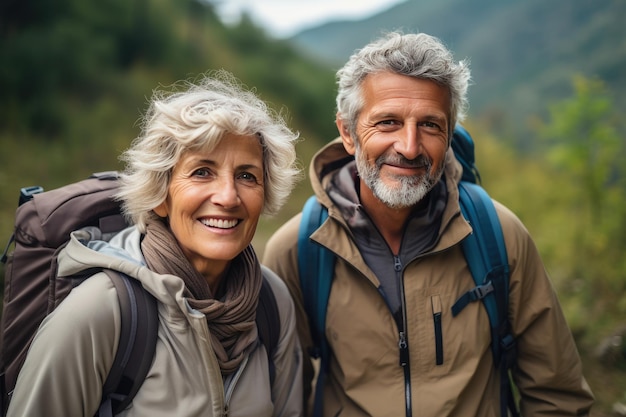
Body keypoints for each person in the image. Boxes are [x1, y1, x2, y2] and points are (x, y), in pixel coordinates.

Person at [262, 32, 594, 416]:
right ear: (348, 133)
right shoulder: (299, 249)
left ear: (450, 134)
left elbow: (558, 398)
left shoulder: (497, 234)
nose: (409, 146)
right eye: (387, 122)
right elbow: (283, 401)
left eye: (430, 126)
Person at [7, 71, 303, 417]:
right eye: (202, 172)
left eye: (246, 176)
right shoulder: (101, 313)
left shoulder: (272, 301)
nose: (228, 196)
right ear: (160, 195)